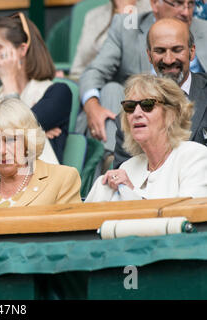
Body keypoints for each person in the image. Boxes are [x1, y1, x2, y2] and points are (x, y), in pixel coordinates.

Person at [78, 0, 207, 156]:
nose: (186, 12)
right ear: (154, 4)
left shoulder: (204, 29)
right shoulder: (128, 26)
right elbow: (94, 71)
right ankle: (112, 160)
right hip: (141, 112)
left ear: (191, 51)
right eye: (177, 3)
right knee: (111, 90)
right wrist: (92, 105)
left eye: (191, 4)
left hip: (195, 110)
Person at [85, 74, 207, 202]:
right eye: (130, 106)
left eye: (147, 105)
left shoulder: (196, 157)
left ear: (171, 115)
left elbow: (188, 215)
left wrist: (132, 191)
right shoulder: (127, 167)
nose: (136, 114)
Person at [0, 99, 81, 211]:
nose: (2, 151)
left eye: (10, 140)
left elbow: (68, 234)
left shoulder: (63, 179)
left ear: (27, 141)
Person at [0, 12, 72, 163]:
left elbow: (12, 138)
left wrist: (9, 80)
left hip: (40, 182)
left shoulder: (58, 93)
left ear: (22, 50)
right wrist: (30, 133)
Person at [113, 18, 207, 168]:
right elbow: (124, 174)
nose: (169, 60)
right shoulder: (131, 114)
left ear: (192, 51)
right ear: (149, 55)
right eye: (160, 51)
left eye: (177, 50)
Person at [70, 0, 151, 79]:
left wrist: (127, 11)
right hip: (89, 83)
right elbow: (77, 69)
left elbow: (135, 62)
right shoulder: (93, 15)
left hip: (133, 86)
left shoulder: (152, 9)